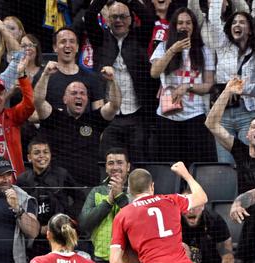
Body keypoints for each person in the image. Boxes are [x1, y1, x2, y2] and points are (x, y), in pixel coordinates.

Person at [205, 77, 255, 263]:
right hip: (248, 222)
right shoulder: (239, 150)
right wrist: (227, 91)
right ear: (247, 135)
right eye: (254, 127)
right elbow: (211, 123)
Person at [85, 0, 159, 162]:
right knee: (110, 164)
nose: (118, 20)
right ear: (107, 19)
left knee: (138, 163)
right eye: (114, 17)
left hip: (136, 115)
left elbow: (148, 18)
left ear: (131, 19)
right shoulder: (100, 38)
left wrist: (129, 1)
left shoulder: (140, 37)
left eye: (123, 16)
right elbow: (90, 16)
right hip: (109, 116)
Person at [35, 63, 122, 188]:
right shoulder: (54, 117)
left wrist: (112, 80)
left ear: (87, 98)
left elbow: (115, 105)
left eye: (82, 93)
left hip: (88, 185)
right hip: (59, 186)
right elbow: (38, 101)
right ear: (64, 99)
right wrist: (45, 74)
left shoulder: (95, 119)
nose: (79, 96)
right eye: (74, 93)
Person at [149, 6, 216, 167]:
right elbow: (154, 72)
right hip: (167, 116)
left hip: (195, 115)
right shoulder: (164, 47)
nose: (184, 26)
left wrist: (187, 86)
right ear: (174, 26)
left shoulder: (204, 51)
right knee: (170, 165)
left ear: (194, 26)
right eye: (180, 23)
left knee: (195, 165)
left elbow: (208, 85)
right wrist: (173, 49)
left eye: (188, 23)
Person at [207, 10, 255, 165]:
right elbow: (213, 18)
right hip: (223, 115)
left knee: (248, 162)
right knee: (226, 165)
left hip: (248, 114)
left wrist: (242, 88)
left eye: (242, 22)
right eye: (234, 22)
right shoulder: (222, 46)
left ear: (250, 30)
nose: (237, 25)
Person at [17, 138, 84, 259]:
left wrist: (69, 219)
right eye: (37, 153)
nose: (42, 156)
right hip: (35, 240)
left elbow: (80, 197)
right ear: (29, 157)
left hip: (61, 236)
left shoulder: (62, 174)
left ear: (50, 155)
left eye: (45, 152)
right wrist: (37, 228)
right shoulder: (23, 180)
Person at [79, 147, 131, 263]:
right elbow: (84, 223)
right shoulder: (96, 191)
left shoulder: (136, 191)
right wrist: (108, 201)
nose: (115, 167)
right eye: (111, 163)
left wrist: (119, 196)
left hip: (129, 260)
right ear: (106, 168)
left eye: (120, 162)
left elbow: (140, 223)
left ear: (128, 167)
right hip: (100, 261)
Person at [43, 28, 105, 111]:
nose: (68, 45)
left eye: (72, 41)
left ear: (77, 47)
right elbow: (34, 114)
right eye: (63, 41)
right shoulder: (44, 78)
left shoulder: (92, 78)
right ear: (55, 47)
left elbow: (99, 116)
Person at [0, 157, 39, 263]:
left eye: (9, 175)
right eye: (1, 176)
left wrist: (17, 208)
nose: (6, 179)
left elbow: (33, 232)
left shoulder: (23, 198)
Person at [0, 55, 33, 175]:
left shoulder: (12, 116)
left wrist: (22, 76)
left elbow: (29, 104)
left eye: (0, 93)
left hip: (14, 182)